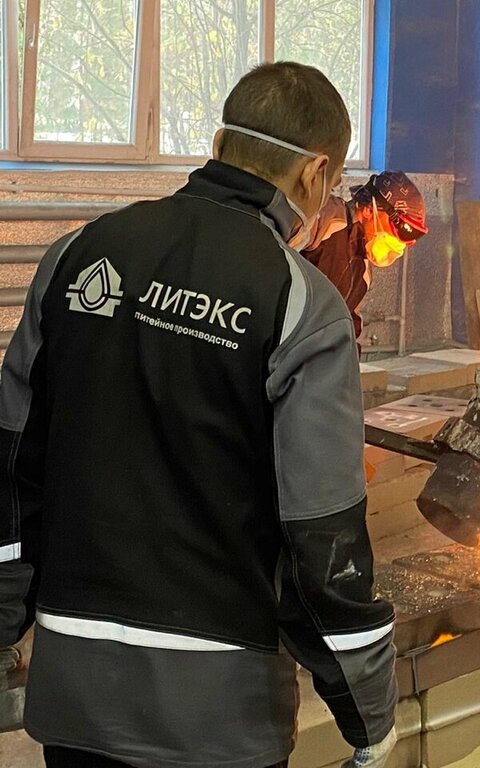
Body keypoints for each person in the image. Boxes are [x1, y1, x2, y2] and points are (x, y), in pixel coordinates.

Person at [0, 62, 397, 768]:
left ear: (218, 144)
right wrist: (369, 717)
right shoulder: (302, 305)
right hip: (219, 720)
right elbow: (323, 546)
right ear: (315, 174)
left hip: (76, 702)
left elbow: (10, 468)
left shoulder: (75, 257)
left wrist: (4, 620)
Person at [302, 171, 428, 339]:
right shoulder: (325, 220)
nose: (400, 244)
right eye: (401, 229)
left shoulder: (362, 273)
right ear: (369, 210)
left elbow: (347, 327)